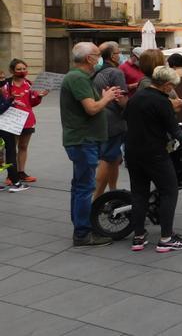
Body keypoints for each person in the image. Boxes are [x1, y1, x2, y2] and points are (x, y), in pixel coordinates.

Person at [124, 66, 182, 252]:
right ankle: (166, 238)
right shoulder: (162, 101)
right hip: (154, 153)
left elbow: (127, 117)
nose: (172, 88)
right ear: (165, 85)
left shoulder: (136, 97)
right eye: (172, 85)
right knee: (169, 191)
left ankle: (138, 237)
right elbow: (174, 130)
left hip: (132, 152)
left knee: (139, 193)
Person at [61, 42, 120, 247]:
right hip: (83, 140)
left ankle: (80, 227)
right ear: (89, 59)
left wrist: (104, 98)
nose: (99, 58)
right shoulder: (77, 77)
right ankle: (83, 233)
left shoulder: (80, 77)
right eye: (97, 54)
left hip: (82, 140)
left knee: (79, 186)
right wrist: (107, 98)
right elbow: (92, 108)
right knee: (85, 187)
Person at [92, 42, 129, 199]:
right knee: (107, 158)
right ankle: (97, 199)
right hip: (114, 121)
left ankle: (112, 192)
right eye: (118, 52)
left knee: (114, 158)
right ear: (113, 56)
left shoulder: (95, 72)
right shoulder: (116, 73)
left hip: (100, 119)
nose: (120, 55)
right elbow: (122, 101)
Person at [3, 59, 46, 185]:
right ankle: (11, 175)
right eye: (19, 69)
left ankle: (21, 173)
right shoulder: (5, 85)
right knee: (11, 148)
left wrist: (39, 97)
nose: (22, 71)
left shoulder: (29, 84)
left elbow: (32, 102)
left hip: (27, 119)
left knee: (23, 146)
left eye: (24, 69)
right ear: (12, 71)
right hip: (11, 120)